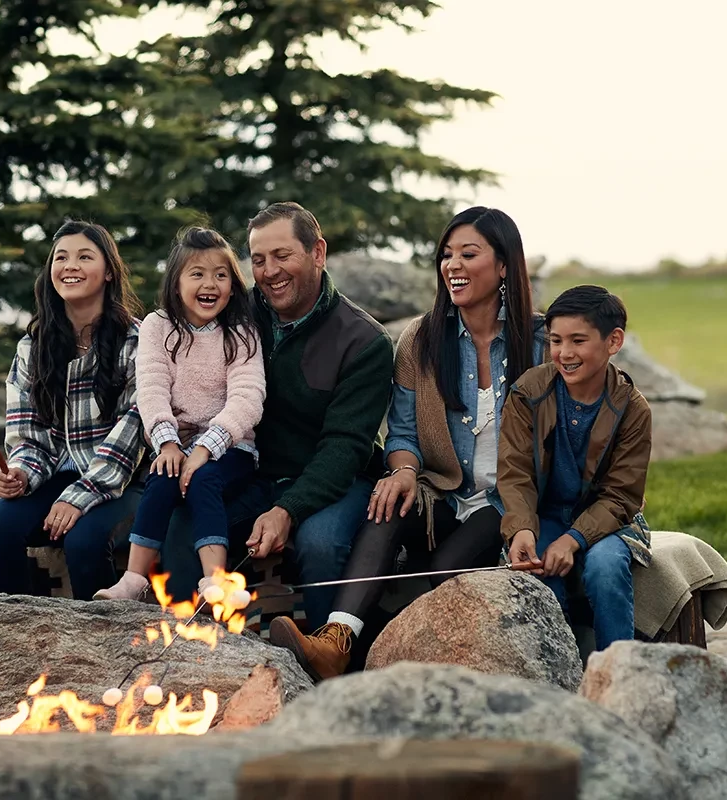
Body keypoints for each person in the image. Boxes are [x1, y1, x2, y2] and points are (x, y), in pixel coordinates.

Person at [268, 206, 547, 680]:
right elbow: (400, 433)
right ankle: (335, 643)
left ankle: (399, 671)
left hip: (506, 502)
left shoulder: (539, 344)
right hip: (441, 490)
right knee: (387, 504)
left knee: (444, 568)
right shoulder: (421, 338)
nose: (452, 265)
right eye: (446, 255)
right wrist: (401, 471)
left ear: (504, 266)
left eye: (468, 254)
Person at [159, 202, 395, 629]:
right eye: (259, 260)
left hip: (332, 480)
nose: (269, 271)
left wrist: (289, 508)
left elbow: (345, 447)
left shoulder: (365, 341)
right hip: (250, 472)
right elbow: (175, 344)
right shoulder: (236, 315)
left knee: (320, 542)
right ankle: (187, 654)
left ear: (317, 253)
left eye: (282, 256)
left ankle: (329, 664)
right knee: (184, 521)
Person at [94, 228, 265, 600]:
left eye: (221, 275)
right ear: (176, 284)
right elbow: (151, 390)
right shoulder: (158, 327)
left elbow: (248, 398)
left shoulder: (241, 332)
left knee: (204, 479)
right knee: (161, 477)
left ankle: (216, 581)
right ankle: (134, 579)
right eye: (198, 274)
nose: (211, 284)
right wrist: (167, 443)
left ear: (233, 285)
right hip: (176, 442)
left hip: (231, 447)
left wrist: (205, 449)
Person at [0, 219, 146, 600]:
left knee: (84, 540)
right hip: (57, 473)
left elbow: (135, 426)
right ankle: (7, 633)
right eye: (61, 257)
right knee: (2, 525)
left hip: (123, 479)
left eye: (84, 256)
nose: (70, 265)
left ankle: (106, 645)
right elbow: (28, 433)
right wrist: (22, 472)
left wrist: (81, 494)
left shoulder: (136, 341)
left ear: (108, 272)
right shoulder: (33, 347)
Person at [498, 284, 653, 652]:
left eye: (578, 341)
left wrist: (574, 539)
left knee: (604, 568)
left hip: (608, 522)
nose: (564, 353)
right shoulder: (528, 393)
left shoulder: (632, 409)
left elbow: (621, 496)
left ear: (613, 341)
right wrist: (520, 528)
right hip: (545, 514)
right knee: (538, 571)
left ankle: (618, 673)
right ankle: (559, 677)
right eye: (555, 341)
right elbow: (514, 472)